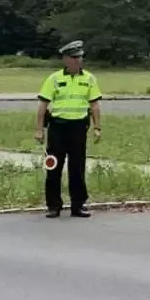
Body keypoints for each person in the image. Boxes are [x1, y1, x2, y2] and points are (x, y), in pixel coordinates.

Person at [36, 40, 102, 219]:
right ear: (65, 59)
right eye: (74, 58)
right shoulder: (55, 78)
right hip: (58, 126)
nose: (78, 61)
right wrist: (39, 130)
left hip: (78, 127)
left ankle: (78, 205)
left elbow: (95, 105)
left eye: (80, 57)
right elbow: (43, 105)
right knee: (53, 166)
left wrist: (97, 127)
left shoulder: (89, 78)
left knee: (77, 167)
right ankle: (53, 206)